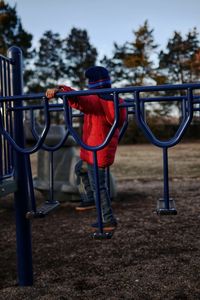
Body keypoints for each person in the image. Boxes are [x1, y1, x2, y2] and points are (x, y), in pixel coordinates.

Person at [46, 66, 126, 232]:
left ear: (92, 84)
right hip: (92, 151)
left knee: (99, 187)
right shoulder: (107, 99)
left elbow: (79, 100)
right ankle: (89, 198)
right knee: (80, 170)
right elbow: (83, 100)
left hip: (98, 151)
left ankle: (108, 219)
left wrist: (63, 90)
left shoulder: (101, 100)